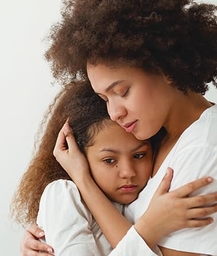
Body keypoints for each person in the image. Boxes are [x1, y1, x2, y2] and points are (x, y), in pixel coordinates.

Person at [22, 0, 217, 255]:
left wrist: (85, 184)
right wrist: (54, 233)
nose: (114, 113)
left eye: (122, 92)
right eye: (105, 99)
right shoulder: (154, 136)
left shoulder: (204, 148)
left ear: (166, 69)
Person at [12, 81, 216, 256]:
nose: (128, 172)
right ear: (80, 158)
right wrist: (150, 227)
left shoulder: (134, 199)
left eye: (139, 155)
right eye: (109, 160)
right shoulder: (63, 195)